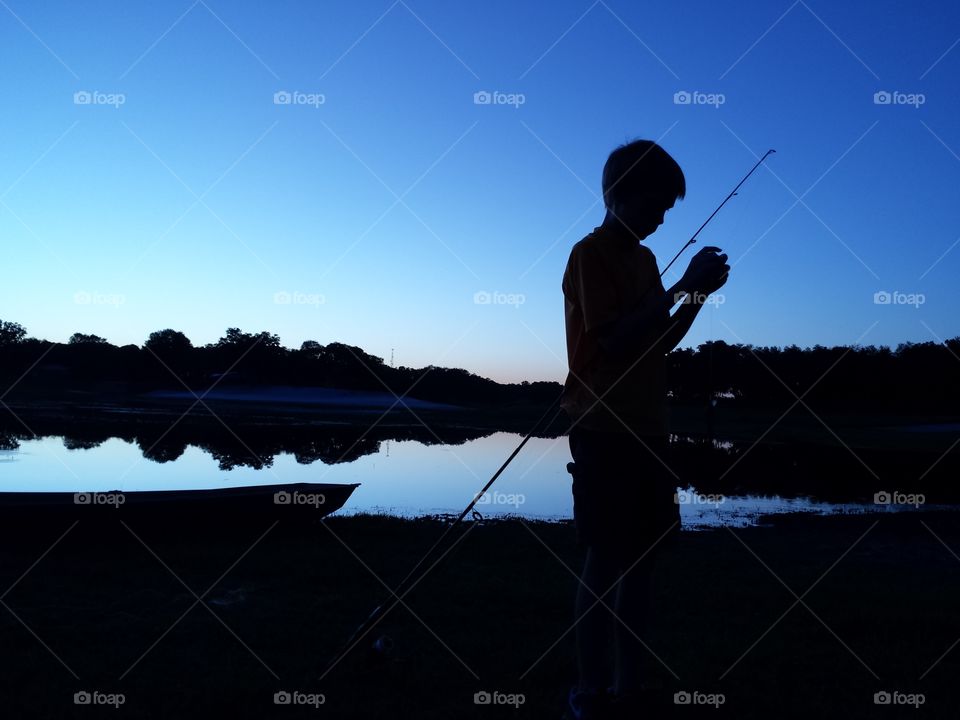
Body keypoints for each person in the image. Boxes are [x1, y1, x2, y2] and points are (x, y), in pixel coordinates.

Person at [561, 139, 729, 719]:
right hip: (603, 426)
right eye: (656, 204)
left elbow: (658, 340)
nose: (662, 217)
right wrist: (682, 284)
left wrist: (695, 297)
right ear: (620, 194)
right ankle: (588, 690)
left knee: (643, 562)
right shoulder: (592, 253)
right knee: (605, 557)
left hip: (648, 428)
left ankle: (627, 690)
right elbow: (613, 338)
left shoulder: (646, 261)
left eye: (667, 209)